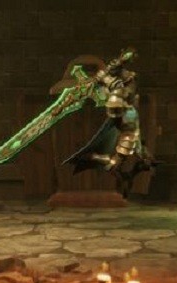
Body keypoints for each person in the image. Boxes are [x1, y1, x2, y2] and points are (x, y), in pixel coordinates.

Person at [63, 47, 159, 198]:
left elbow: (125, 94)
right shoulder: (117, 86)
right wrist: (102, 81)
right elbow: (113, 97)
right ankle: (98, 159)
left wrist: (106, 80)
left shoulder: (128, 83)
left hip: (128, 124)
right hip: (126, 123)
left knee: (117, 162)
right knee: (120, 160)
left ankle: (96, 159)